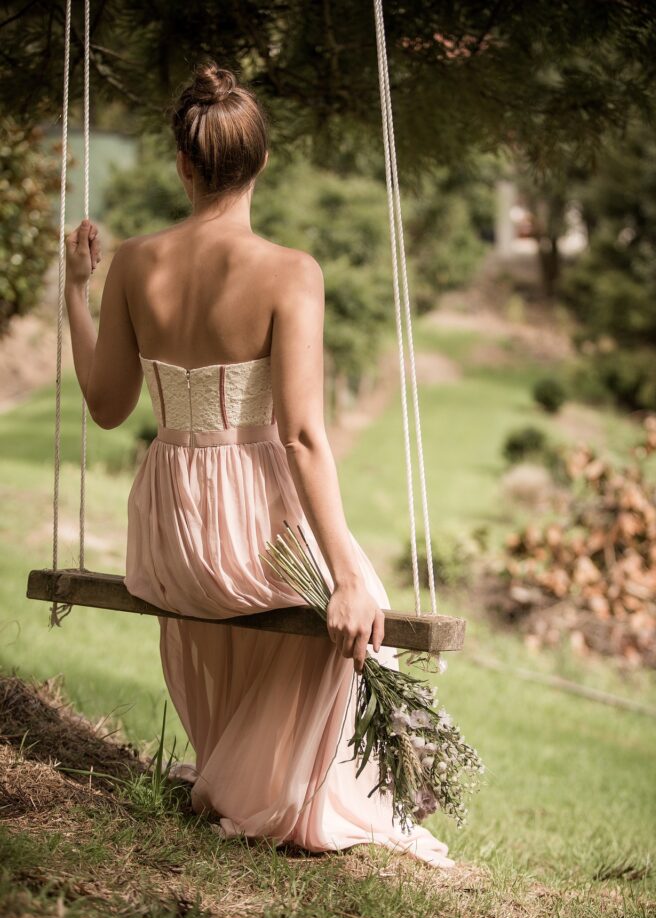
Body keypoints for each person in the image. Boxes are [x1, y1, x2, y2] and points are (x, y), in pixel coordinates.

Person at [64, 60, 454, 870]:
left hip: (169, 541)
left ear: (182, 162)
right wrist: (345, 570)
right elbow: (305, 438)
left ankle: (247, 769)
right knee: (358, 604)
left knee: (317, 606)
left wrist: (76, 290)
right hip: (248, 526)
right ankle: (265, 790)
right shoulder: (290, 273)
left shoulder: (131, 264)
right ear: (262, 160)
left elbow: (105, 407)